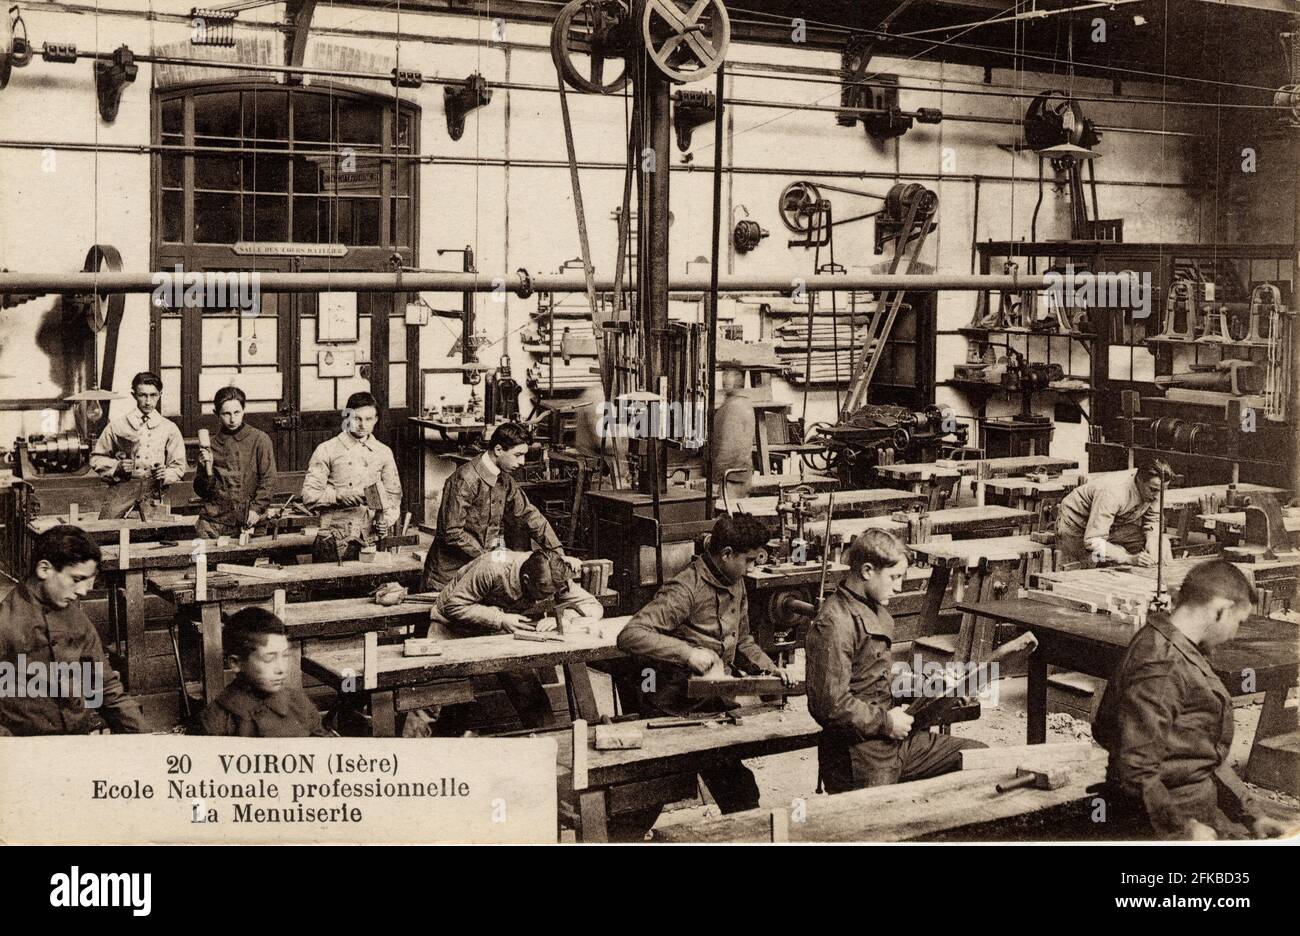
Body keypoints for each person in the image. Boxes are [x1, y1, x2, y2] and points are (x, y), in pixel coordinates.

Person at [1092, 560, 1287, 841]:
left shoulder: (1181, 648)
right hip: (1160, 823)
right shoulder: (1162, 665)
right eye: (1238, 622)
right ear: (1221, 609)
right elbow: (1135, 769)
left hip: (1192, 811)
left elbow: (1200, 751)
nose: (1234, 635)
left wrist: (1252, 814)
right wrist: (1184, 830)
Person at [616, 513, 793, 820]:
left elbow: (744, 641)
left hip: (711, 706)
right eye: (749, 560)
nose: (753, 568)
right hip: (671, 708)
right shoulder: (685, 588)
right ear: (726, 554)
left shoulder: (735, 582)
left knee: (741, 793)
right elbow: (630, 635)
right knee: (652, 797)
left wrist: (770, 670)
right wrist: (687, 653)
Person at [805, 528, 985, 793]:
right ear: (867, 571)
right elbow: (829, 705)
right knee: (882, 825)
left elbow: (876, 677)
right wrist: (887, 723)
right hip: (857, 754)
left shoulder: (874, 610)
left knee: (980, 758)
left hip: (894, 743)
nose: (899, 587)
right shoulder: (835, 623)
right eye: (894, 577)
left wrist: (931, 686)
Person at [421, 548, 603, 730]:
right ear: (526, 580)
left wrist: (564, 618)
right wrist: (500, 619)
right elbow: (454, 605)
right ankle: (411, 744)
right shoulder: (492, 567)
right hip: (451, 625)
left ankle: (547, 738)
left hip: (494, 627)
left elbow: (593, 607)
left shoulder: (554, 576)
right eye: (543, 593)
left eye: (552, 593)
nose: (549, 597)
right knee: (434, 692)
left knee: (525, 682)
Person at [0, 525, 148, 735]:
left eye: (88, 581)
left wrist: (149, 742)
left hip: (75, 745)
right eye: (77, 579)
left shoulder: (77, 618)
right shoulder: (4, 621)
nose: (83, 591)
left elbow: (105, 688)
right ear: (44, 569)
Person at [423, 421, 570, 590]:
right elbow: (452, 533)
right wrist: (491, 559)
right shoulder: (464, 480)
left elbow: (530, 515)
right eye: (517, 455)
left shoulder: (505, 481)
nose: (522, 462)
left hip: (480, 571)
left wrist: (558, 553)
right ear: (499, 450)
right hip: (448, 577)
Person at [196, 607, 333, 737]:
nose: (281, 669)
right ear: (236, 663)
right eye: (269, 658)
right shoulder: (216, 721)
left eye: (284, 656)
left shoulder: (298, 703)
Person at [302, 391, 402, 544]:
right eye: (357, 418)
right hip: (332, 537)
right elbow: (309, 496)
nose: (362, 425)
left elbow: (393, 496)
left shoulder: (383, 452)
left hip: (371, 537)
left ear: (375, 419)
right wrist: (338, 496)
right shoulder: (327, 449)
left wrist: (385, 521)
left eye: (368, 419)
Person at [89, 371, 188, 519]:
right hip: (123, 490)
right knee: (108, 530)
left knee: (157, 532)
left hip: (155, 492)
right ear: (134, 395)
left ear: (160, 395)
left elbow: (179, 466)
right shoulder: (117, 426)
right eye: (142, 395)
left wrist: (166, 474)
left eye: (153, 395)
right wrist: (117, 467)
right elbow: (96, 458)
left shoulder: (169, 428)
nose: (148, 401)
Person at [1055, 460, 1175, 568]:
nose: (1157, 497)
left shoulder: (1154, 489)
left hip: (1112, 523)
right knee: (1084, 569)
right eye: (1153, 490)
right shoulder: (1113, 492)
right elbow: (1093, 540)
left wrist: (1153, 542)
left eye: (1162, 491)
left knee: (1161, 544)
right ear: (1139, 480)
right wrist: (1128, 559)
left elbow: (1153, 520)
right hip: (1077, 523)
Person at [193, 385, 277, 539]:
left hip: (250, 520)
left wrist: (257, 509)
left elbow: (268, 479)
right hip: (216, 523)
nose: (232, 419)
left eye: (237, 412)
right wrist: (206, 470)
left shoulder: (260, 439)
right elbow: (202, 491)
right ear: (217, 414)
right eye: (226, 414)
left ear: (243, 410)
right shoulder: (210, 446)